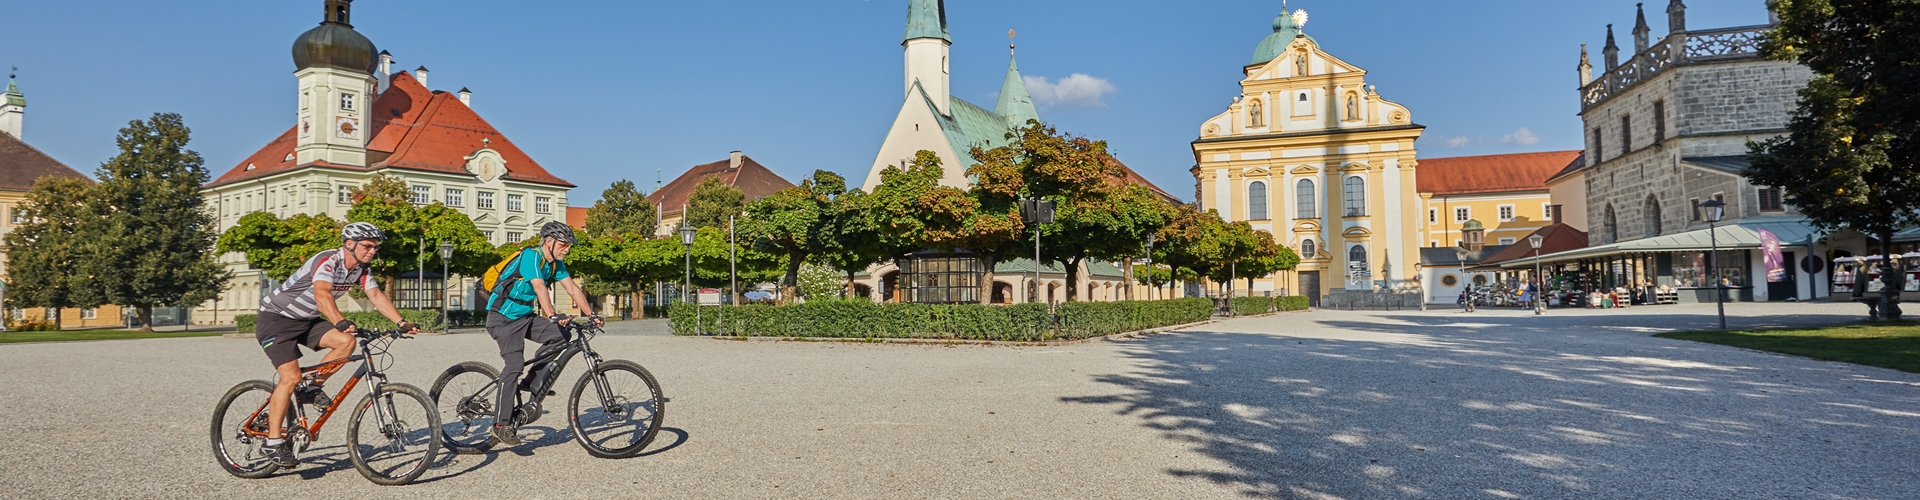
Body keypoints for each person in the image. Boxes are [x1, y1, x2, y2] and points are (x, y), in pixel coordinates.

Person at [254, 222, 418, 467]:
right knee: (290, 377)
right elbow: (322, 294)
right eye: (367, 246)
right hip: (276, 320)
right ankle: (272, 442)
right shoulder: (328, 261)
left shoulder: (361, 270)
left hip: (306, 320)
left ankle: (311, 387)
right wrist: (339, 320)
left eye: (375, 247)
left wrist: (401, 321)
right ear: (349, 244)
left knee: (346, 342)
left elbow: (375, 295)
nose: (372, 251)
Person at [485, 221, 601, 446]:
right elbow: (539, 287)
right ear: (549, 242)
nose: (567, 249)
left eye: (569, 245)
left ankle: (530, 380)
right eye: (563, 244)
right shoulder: (531, 256)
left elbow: (572, 289)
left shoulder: (556, 265)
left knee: (560, 336)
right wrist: (552, 314)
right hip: (502, 318)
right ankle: (500, 425)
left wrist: (591, 314)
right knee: (514, 365)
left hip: (524, 317)